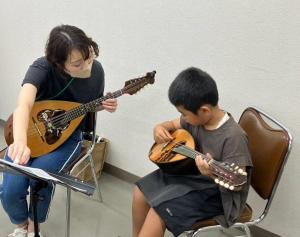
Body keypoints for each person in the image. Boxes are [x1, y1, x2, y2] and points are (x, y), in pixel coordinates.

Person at [0, 25, 118, 237]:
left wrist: (103, 105)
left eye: (89, 56)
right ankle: (20, 225)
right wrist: (19, 141)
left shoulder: (97, 70)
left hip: (67, 138)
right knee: (11, 189)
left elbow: (88, 105)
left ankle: (35, 225)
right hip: (30, 132)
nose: (87, 66)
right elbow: (24, 105)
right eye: (77, 63)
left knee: (40, 179)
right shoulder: (42, 67)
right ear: (59, 64)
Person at [132, 67, 253, 237]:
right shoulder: (196, 119)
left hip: (217, 195)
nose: (183, 118)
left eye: (184, 114)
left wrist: (212, 174)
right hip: (191, 176)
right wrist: (159, 128)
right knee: (140, 192)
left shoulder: (233, 137)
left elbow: (237, 184)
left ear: (204, 110)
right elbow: (172, 125)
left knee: (159, 211)